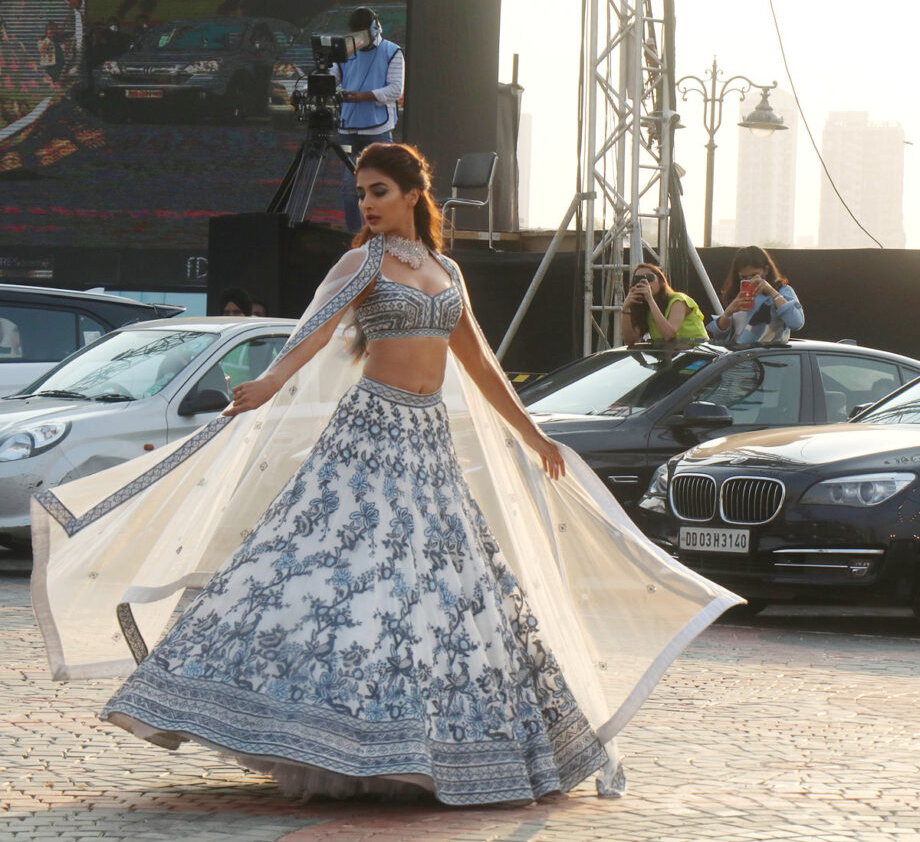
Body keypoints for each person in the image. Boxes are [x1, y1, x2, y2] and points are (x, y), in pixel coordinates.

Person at [31, 144, 740, 807]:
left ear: (411, 195)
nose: (365, 204)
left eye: (378, 192)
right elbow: (310, 331)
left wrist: (531, 432)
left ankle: (431, 743)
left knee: (442, 591)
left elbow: (482, 366)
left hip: (426, 443)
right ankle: (322, 733)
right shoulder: (361, 264)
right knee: (335, 577)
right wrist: (270, 382)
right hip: (367, 436)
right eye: (360, 194)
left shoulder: (445, 271)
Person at [332, 7, 404, 232]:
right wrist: (313, 87)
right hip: (349, 129)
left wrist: (366, 96)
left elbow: (395, 90)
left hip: (378, 131)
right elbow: (332, 77)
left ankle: (385, 233)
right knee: (348, 189)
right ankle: (356, 239)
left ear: (374, 28)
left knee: (383, 186)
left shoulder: (392, 51)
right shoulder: (346, 52)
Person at [707, 245, 804, 344]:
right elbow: (720, 335)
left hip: (766, 356)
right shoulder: (737, 294)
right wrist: (728, 312)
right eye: (743, 276)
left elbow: (796, 323)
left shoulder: (782, 291)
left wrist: (772, 292)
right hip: (738, 355)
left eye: (754, 275)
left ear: (766, 270)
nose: (750, 280)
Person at [621, 263, 707, 344]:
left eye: (649, 278)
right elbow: (630, 341)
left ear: (661, 281)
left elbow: (669, 336)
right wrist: (626, 309)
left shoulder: (678, 300)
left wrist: (650, 299)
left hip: (697, 351)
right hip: (669, 354)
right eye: (638, 279)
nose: (645, 282)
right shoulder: (644, 306)